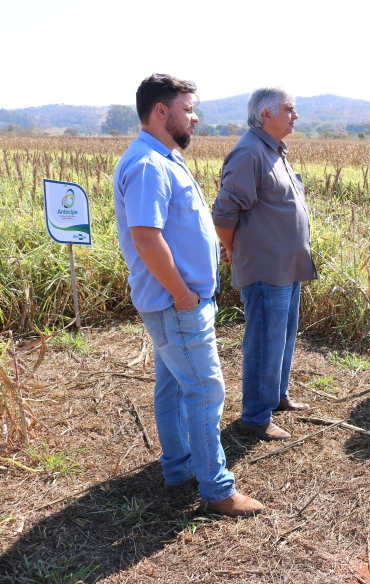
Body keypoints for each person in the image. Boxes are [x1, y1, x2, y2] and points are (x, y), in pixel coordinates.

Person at [113, 74, 262, 517]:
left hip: (176, 302)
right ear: (162, 111)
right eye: (188, 109)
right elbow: (145, 237)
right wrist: (182, 293)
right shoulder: (147, 165)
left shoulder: (163, 157)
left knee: (174, 386)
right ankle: (216, 489)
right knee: (205, 390)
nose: (194, 118)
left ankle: (178, 468)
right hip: (176, 304)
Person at [213, 87, 316, 442]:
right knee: (263, 342)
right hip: (265, 268)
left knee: (283, 338)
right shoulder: (249, 152)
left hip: (287, 265)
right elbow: (224, 213)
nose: (295, 115)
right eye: (289, 109)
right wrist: (232, 248)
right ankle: (256, 416)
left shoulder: (273, 150)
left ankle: (276, 396)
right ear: (266, 114)